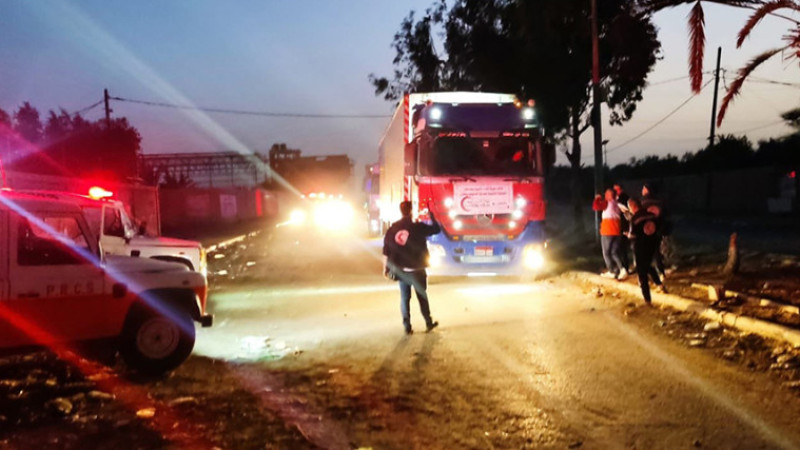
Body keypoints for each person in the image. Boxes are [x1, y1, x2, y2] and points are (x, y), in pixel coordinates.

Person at [382, 201, 441, 335]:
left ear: (400, 211)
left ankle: (407, 326)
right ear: (411, 211)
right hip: (417, 269)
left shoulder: (393, 229)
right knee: (422, 297)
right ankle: (428, 322)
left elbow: (386, 250)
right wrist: (432, 216)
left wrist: (386, 268)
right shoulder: (418, 227)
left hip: (402, 271)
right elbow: (436, 229)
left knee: (404, 298)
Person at [627, 198, 666, 305]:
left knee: (642, 273)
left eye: (630, 208)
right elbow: (658, 229)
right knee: (648, 266)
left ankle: (647, 300)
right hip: (652, 245)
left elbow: (633, 235)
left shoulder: (634, 219)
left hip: (640, 247)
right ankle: (659, 284)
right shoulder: (651, 215)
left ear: (633, 207)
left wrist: (629, 235)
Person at [592, 188, 628, 280]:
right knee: (614, 252)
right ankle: (622, 269)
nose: (605, 195)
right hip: (617, 231)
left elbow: (595, 207)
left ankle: (612, 271)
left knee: (606, 253)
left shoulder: (607, 202)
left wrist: (597, 199)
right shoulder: (618, 204)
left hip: (608, 231)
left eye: (606, 194)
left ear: (609, 195)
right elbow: (627, 212)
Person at [641, 183, 672, 279]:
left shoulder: (643, 202)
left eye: (643, 188)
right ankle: (660, 271)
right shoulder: (660, 201)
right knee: (656, 252)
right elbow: (666, 215)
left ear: (647, 190)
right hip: (658, 229)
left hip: (647, 230)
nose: (642, 190)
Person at [613, 183, 631, 272]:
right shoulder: (617, 198)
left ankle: (625, 267)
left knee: (622, 247)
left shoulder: (624, 198)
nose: (615, 192)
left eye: (616, 190)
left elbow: (627, 212)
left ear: (620, 189)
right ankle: (622, 266)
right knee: (619, 247)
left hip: (623, 225)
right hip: (618, 225)